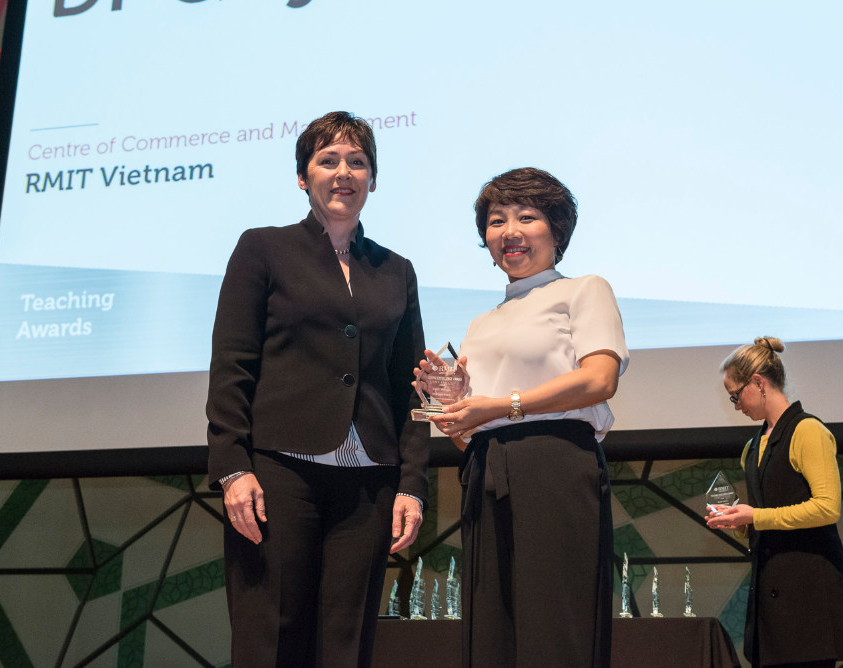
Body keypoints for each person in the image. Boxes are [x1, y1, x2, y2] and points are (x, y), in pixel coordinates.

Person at [206, 111, 429, 668]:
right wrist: (233, 466)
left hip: (370, 480)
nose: (343, 172)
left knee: (346, 642)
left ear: (372, 180)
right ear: (303, 177)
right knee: (269, 635)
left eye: (357, 161)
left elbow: (413, 388)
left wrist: (413, 484)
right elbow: (232, 363)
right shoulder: (263, 248)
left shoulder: (396, 270)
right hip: (278, 471)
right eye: (327, 160)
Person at [416, 167, 629, 668]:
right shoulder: (480, 324)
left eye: (526, 217)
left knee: (557, 627)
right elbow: (475, 429)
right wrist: (455, 415)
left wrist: (501, 405)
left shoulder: (583, 290)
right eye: (496, 221)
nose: (509, 232)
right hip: (485, 469)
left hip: (556, 464)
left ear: (557, 230)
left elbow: (599, 380)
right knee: (493, 631)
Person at [706, 337, 843, 668]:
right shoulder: (753, 446)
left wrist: (756, 517)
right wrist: (736, 521)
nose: (735, 405)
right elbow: (761, 517)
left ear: (758, 383)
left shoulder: (808, 431)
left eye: (736, 395)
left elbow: (827, 507)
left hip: (809, 596)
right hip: (771, 600)